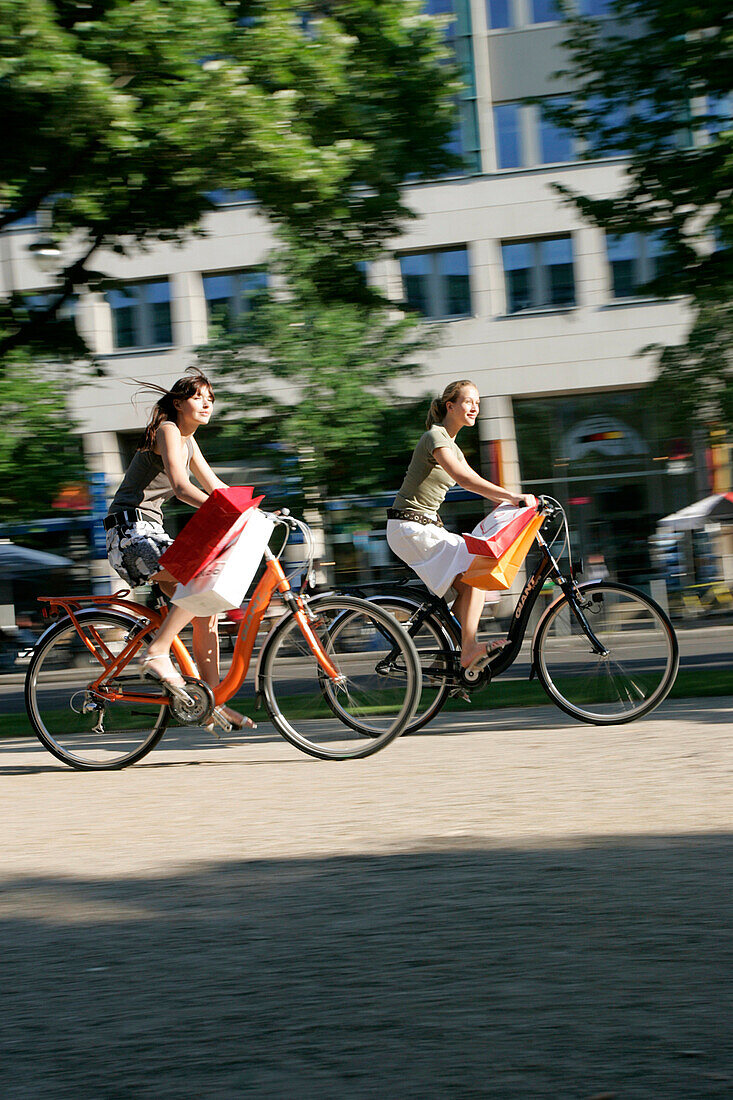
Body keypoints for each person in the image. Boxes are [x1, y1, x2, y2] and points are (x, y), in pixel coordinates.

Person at [105, 368, 252, 730]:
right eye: (198, 397)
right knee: (199, 576)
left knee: (207, 610)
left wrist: (255, 512)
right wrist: (222, 514)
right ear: (178, 403)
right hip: (128, 532)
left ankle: (211, 700)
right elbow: (182, 486)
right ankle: (156, 652)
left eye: (211, 399)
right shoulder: (169, 430)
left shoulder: (190, 440)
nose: (206, 403)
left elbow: (216, 486)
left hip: (150, 531)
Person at [386, 379, 537, 671]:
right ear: (450, 406)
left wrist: (509, 503)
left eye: (477, 403)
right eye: (468, 401)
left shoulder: (453, 446)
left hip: (423, 527)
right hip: (410, 528)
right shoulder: (435, 437)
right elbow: (467, 481)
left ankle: (449, 668)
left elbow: (476, 482)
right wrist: (513, 496)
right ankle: (468, 649)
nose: (475, 408)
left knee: (469, 584)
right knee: (478, 567)